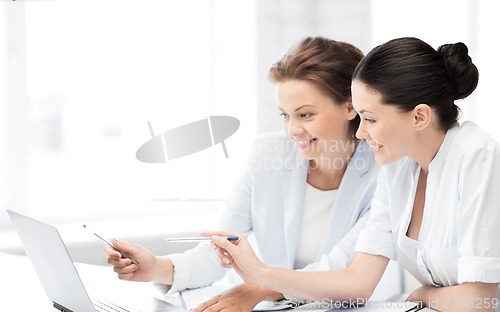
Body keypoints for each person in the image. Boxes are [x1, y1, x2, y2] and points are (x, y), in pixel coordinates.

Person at [208, 37, 500, 312]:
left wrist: (425, 296)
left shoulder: (476, 156)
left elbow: (481, 299)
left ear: (419, 117)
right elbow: (357, 282)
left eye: (370, 119)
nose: (361, 132)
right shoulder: (397, 166)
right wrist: (261, 276)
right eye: (361, 117)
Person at [105, 37, 384, 311]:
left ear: (350, 106)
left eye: (306, 115)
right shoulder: (267, 154)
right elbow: (220, 251)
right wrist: (158, 267)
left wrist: (260, 288)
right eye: (285, 115)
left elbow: (341, 270)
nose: (292, 130)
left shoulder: (383, 173)